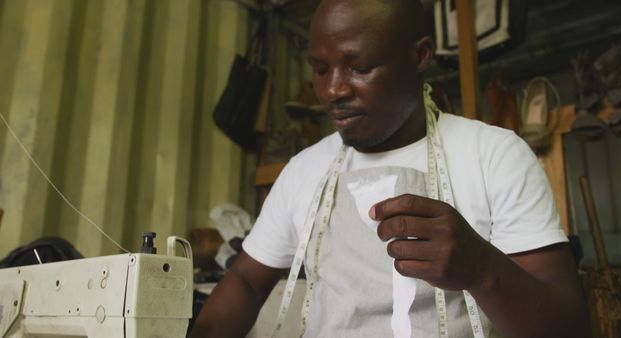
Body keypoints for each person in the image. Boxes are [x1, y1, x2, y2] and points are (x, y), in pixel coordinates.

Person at [190, 0, 589, 337]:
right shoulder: (304, 170)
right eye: (320, 69)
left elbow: (568, 325)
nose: (332, 91)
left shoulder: (495, 156)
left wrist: (484, 269)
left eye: (358, 68)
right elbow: (244, 280)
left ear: (421, 55)